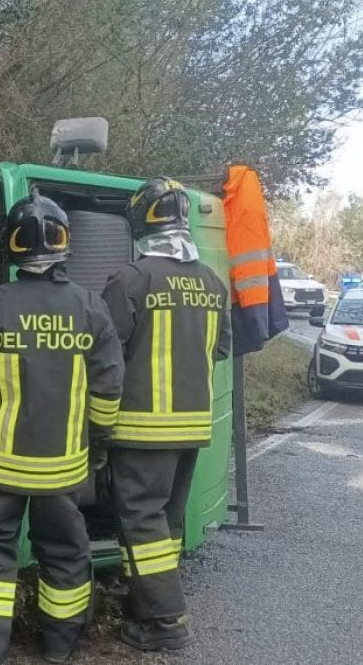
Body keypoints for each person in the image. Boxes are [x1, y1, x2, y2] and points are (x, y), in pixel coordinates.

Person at [0, 193, 124, 665]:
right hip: (63, 469)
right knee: (64, 554)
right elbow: (107, 394)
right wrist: (97, 449)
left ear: (11, 248)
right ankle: (59, 649)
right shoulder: (90, 309)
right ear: (65, 245)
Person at [100, 177, 231, 651]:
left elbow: (103, 352)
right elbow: (219, 350)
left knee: (141, 522)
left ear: (140, 219)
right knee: (166, 523)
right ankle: (144, 602)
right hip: (192, 426)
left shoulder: (131, 279)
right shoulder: (211, 282)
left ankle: (166, 621)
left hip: (140, 427)